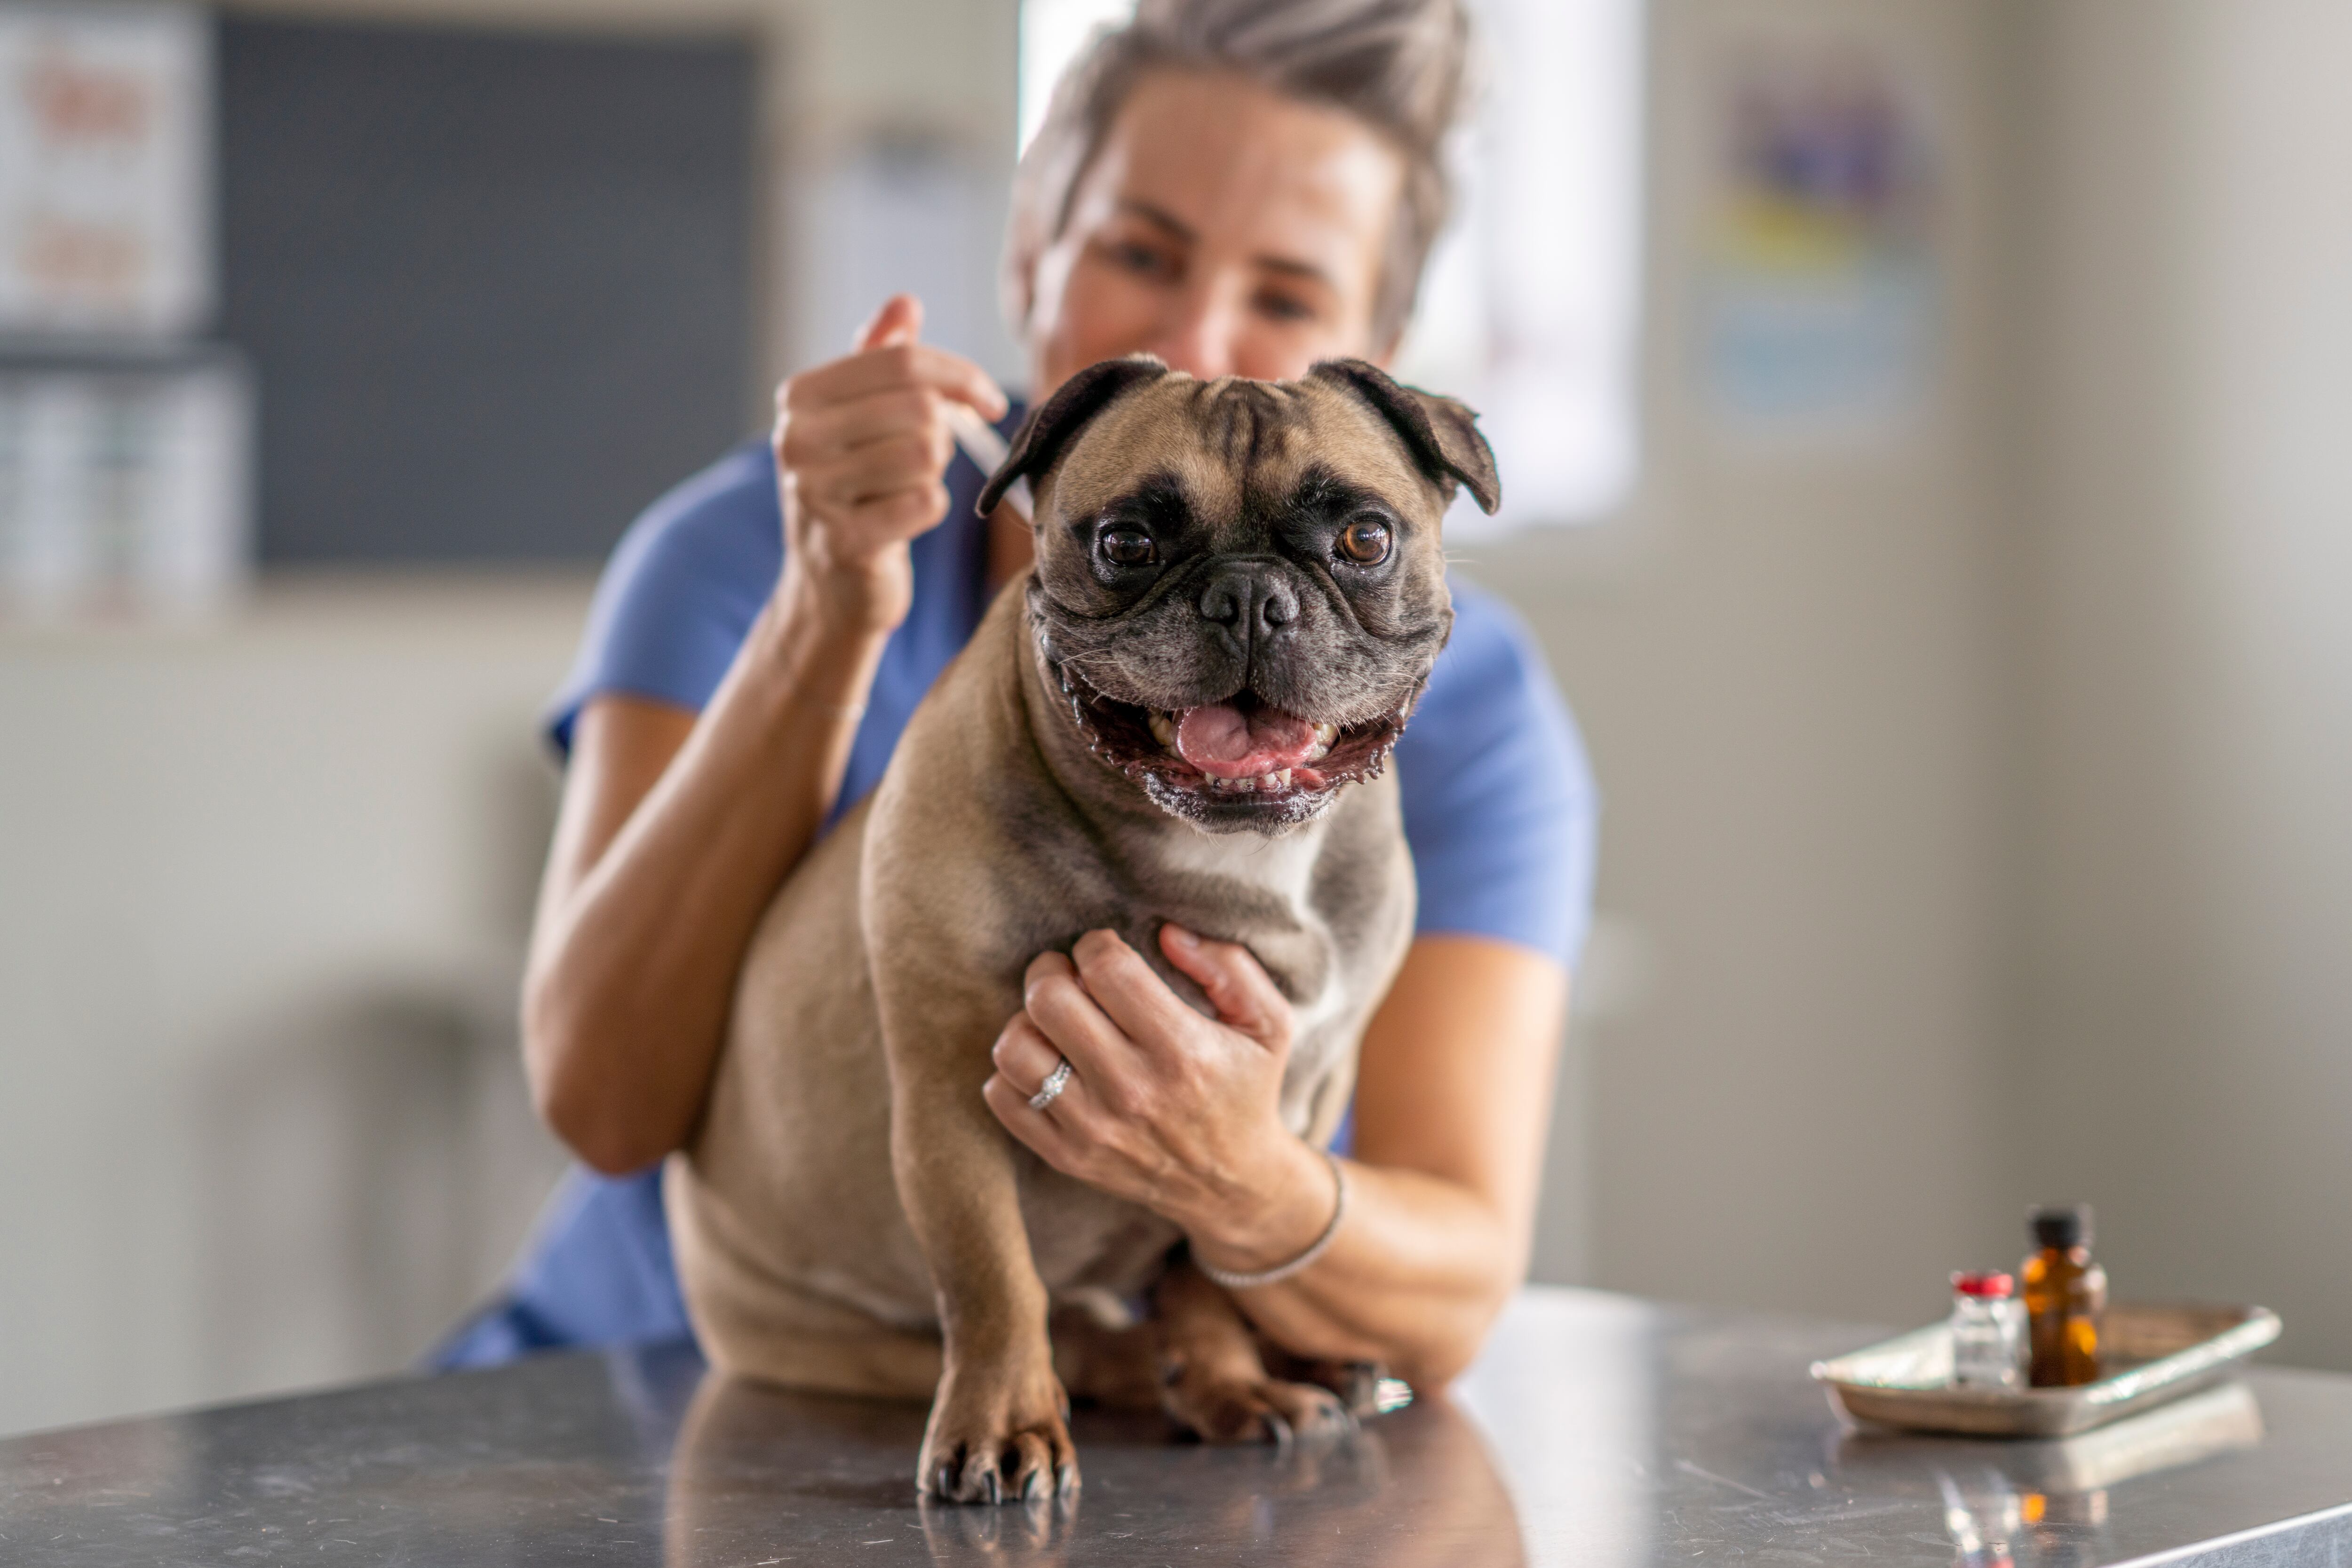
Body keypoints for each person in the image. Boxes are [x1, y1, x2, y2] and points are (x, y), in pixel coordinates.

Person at [437, 0, 1597, 1392]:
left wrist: (1244, 1182)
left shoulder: (1472, 708)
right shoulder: (749, 548)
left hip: (1115, 1420)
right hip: (656, 1374)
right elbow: (606, 1107)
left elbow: (1454, 1295)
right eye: (1140, 251)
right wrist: (824, 617)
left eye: (1285, 296)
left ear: (1382, 340)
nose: (1196, 328)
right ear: (1031, 251)